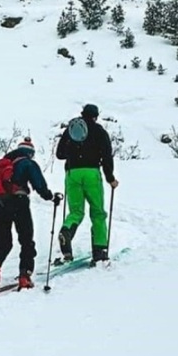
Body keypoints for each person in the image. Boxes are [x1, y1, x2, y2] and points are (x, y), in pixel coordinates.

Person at [0, 137, 59, 289]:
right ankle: (25, 275)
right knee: (26, 240)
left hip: (0, 204)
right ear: (30, 153)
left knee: (4, 241)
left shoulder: (4, 164)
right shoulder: (27, 163)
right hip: (19, 202)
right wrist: (50, 196)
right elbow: (39, 185)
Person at [55, 104, 118, 265]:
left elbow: (59, 154)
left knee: (76, 212)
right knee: (97, 212)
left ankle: (66, 231)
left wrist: (74, 152)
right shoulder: (99, 131)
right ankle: (99, 251)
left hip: (72, 174)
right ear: (96, 116)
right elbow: (106, 156)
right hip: (91, 173)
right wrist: (110, 178)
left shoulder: (71, 129)